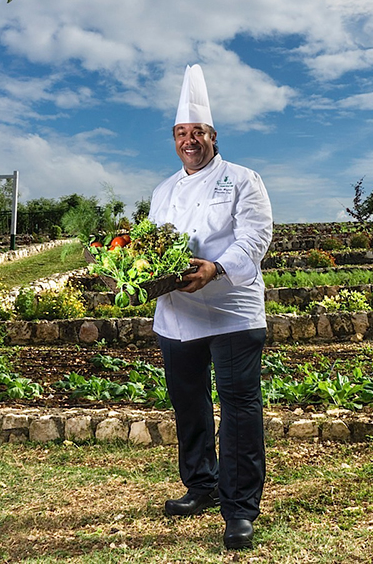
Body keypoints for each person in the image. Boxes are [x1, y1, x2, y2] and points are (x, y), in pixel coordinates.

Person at [148, 64, 273, 550]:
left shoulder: (244, 179)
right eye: (181, 133)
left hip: (232, 312)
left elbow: (256, 238)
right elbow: (152, 246)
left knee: (239, 409)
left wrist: (216, 269)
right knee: (189, 404)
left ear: (214, 136)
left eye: (197, 131)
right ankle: (200, 485)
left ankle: (239, 509)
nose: (189, 139)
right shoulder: (162, 191)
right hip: (176, 315)